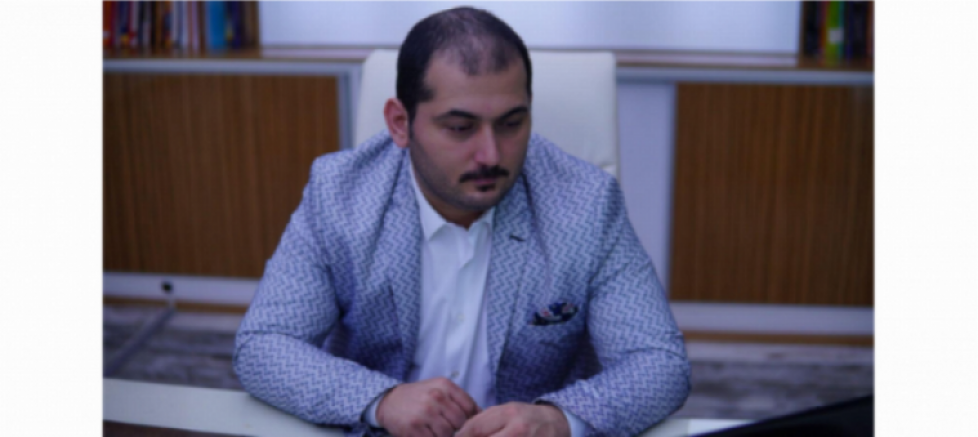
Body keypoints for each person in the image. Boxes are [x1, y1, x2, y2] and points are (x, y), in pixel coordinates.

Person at [233, 6, 690, 437]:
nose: (490, 155)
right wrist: (380, 400)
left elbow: (660, 364)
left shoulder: (586, 204)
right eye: (460, 128)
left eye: (511, 124)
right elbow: (262, 345)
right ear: (400, 123)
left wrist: (558, 419)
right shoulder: (340, 195)